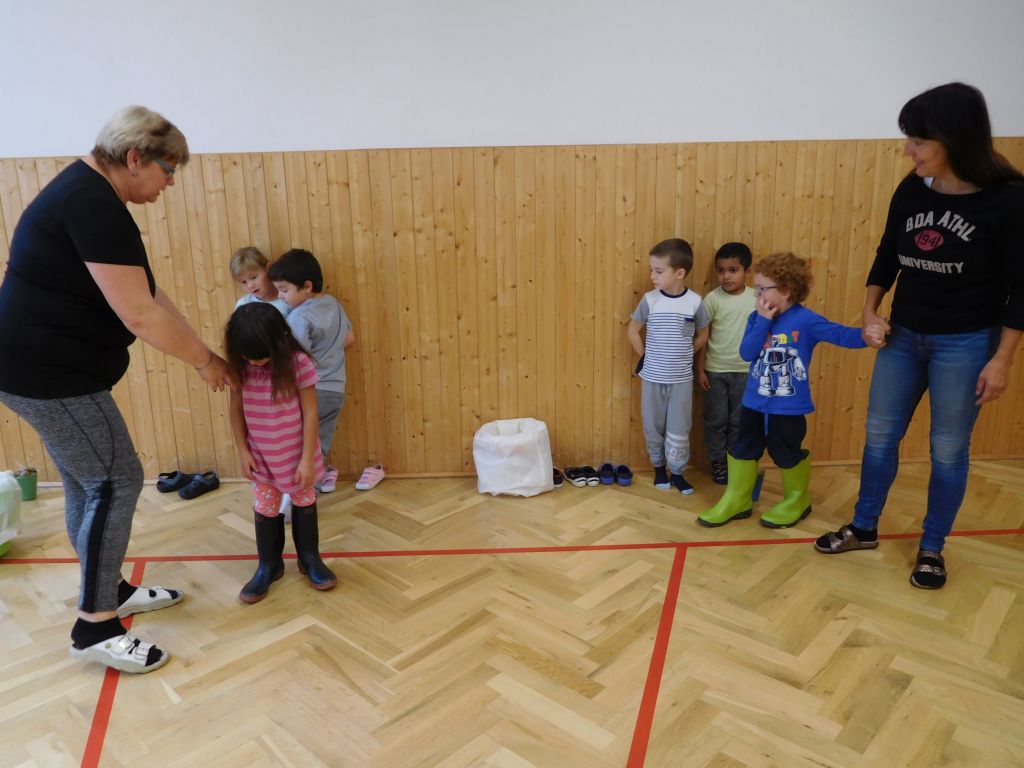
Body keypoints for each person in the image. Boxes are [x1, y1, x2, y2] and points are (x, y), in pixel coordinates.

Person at [0, 106, 233, 674]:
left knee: (89, 482)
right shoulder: (90, 204)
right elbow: (140, 316)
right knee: (115, 480)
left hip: (40, 370)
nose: (170, 183)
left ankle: (109, 591)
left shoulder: (90, 195)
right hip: (48, 375)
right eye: (168, 170)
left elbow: (146, 295)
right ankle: (95, 626)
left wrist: (200, 347)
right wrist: (205, 362)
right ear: (134, 158)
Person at [815, 83, 1024, 589]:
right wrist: (870, 311)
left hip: (967, 343)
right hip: (903, 337)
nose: (908, 150)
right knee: (880, 437)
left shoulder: (1009, 200)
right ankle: (864, 527)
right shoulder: (912, 188)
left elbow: (1022, 288)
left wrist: (1002, 359)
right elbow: (887, 254)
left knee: (948, 449)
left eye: (918, 140)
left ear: (954, 138)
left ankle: (932, 547)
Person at [699, 252, 867, 528]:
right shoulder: (756, 318)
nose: (757, 294)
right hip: (754, 401)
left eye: (762, 289)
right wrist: (763, 320)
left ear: (787, 291)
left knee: (784, 450)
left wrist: (872, 334)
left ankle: (797, 500)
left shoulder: (806, 320)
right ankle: (738, 499)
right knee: (743, 448)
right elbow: (747, 352)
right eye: (757, 288)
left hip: (788, 406)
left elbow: (842, 335)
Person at [226, 302, 338, 601]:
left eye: (261, 356)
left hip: (298, 456)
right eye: (248, 356)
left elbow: (311, 413)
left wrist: (307, 459)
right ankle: (269, 565)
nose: (255, 362)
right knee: (265, 508)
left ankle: (309, 559)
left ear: (279, 340)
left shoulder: (298, 363)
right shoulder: (242, 368)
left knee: (304, 504)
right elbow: (236, 411)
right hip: (261, 458)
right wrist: (243, 452)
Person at [268, 248, 355, 493]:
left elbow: (295, 358)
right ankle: (311, 489)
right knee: (320, 444)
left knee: (300, 444)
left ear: (306, 286)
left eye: (284, 290)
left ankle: (295, 492)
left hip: (311, 393)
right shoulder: (334, 305)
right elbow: (349, 339)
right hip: (335, 390)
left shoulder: (299, 316)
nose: (280, 296)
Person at [627, 238, 710, 494]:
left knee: (679, 428)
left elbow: (703, 334)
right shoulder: (650, 300)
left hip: (681, 381)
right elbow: (633, 331)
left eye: (659, 271)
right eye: (651, 270)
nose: (652, 276)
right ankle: (659, 470)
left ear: (679, 273)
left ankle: (678, 473)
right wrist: (645, 355)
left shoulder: (694, 302)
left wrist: (687, 352)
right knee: (653, 426)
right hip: (652, 378)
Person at [695, 242, 757, 485]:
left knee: (739, 421)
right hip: (715, 371)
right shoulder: (712, 299)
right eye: (721, 271)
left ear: (747, 271)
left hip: (746, 371)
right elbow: (703, 337)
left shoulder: (757, 298)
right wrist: (700, 370)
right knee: (716, 419)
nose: (726, 276)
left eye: (733, 270)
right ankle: (718, 461)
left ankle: (734, 460)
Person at [230, 246, 291, 316]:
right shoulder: (243, 305)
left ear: (268, 268)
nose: (250, 286)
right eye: (244, 282)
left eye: (253, 277)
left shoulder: (289, 300)